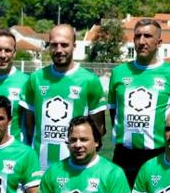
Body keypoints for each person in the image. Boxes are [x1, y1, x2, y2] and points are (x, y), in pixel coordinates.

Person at [109, 19, 170, 186]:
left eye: (147, 36)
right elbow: (113, 113)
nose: (142, 41)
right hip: (124, 157)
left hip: (159, 155)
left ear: (159, 42)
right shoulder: (118, 73)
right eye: (138, 36)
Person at [21, 25, 107, 170]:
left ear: (74, 45)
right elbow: (29, 127)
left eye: (64, 45)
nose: (59, 50)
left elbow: (98, 129)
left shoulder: (89, 80)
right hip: (40, 168)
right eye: (54, 45)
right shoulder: (35, 79)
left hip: (77, 169)